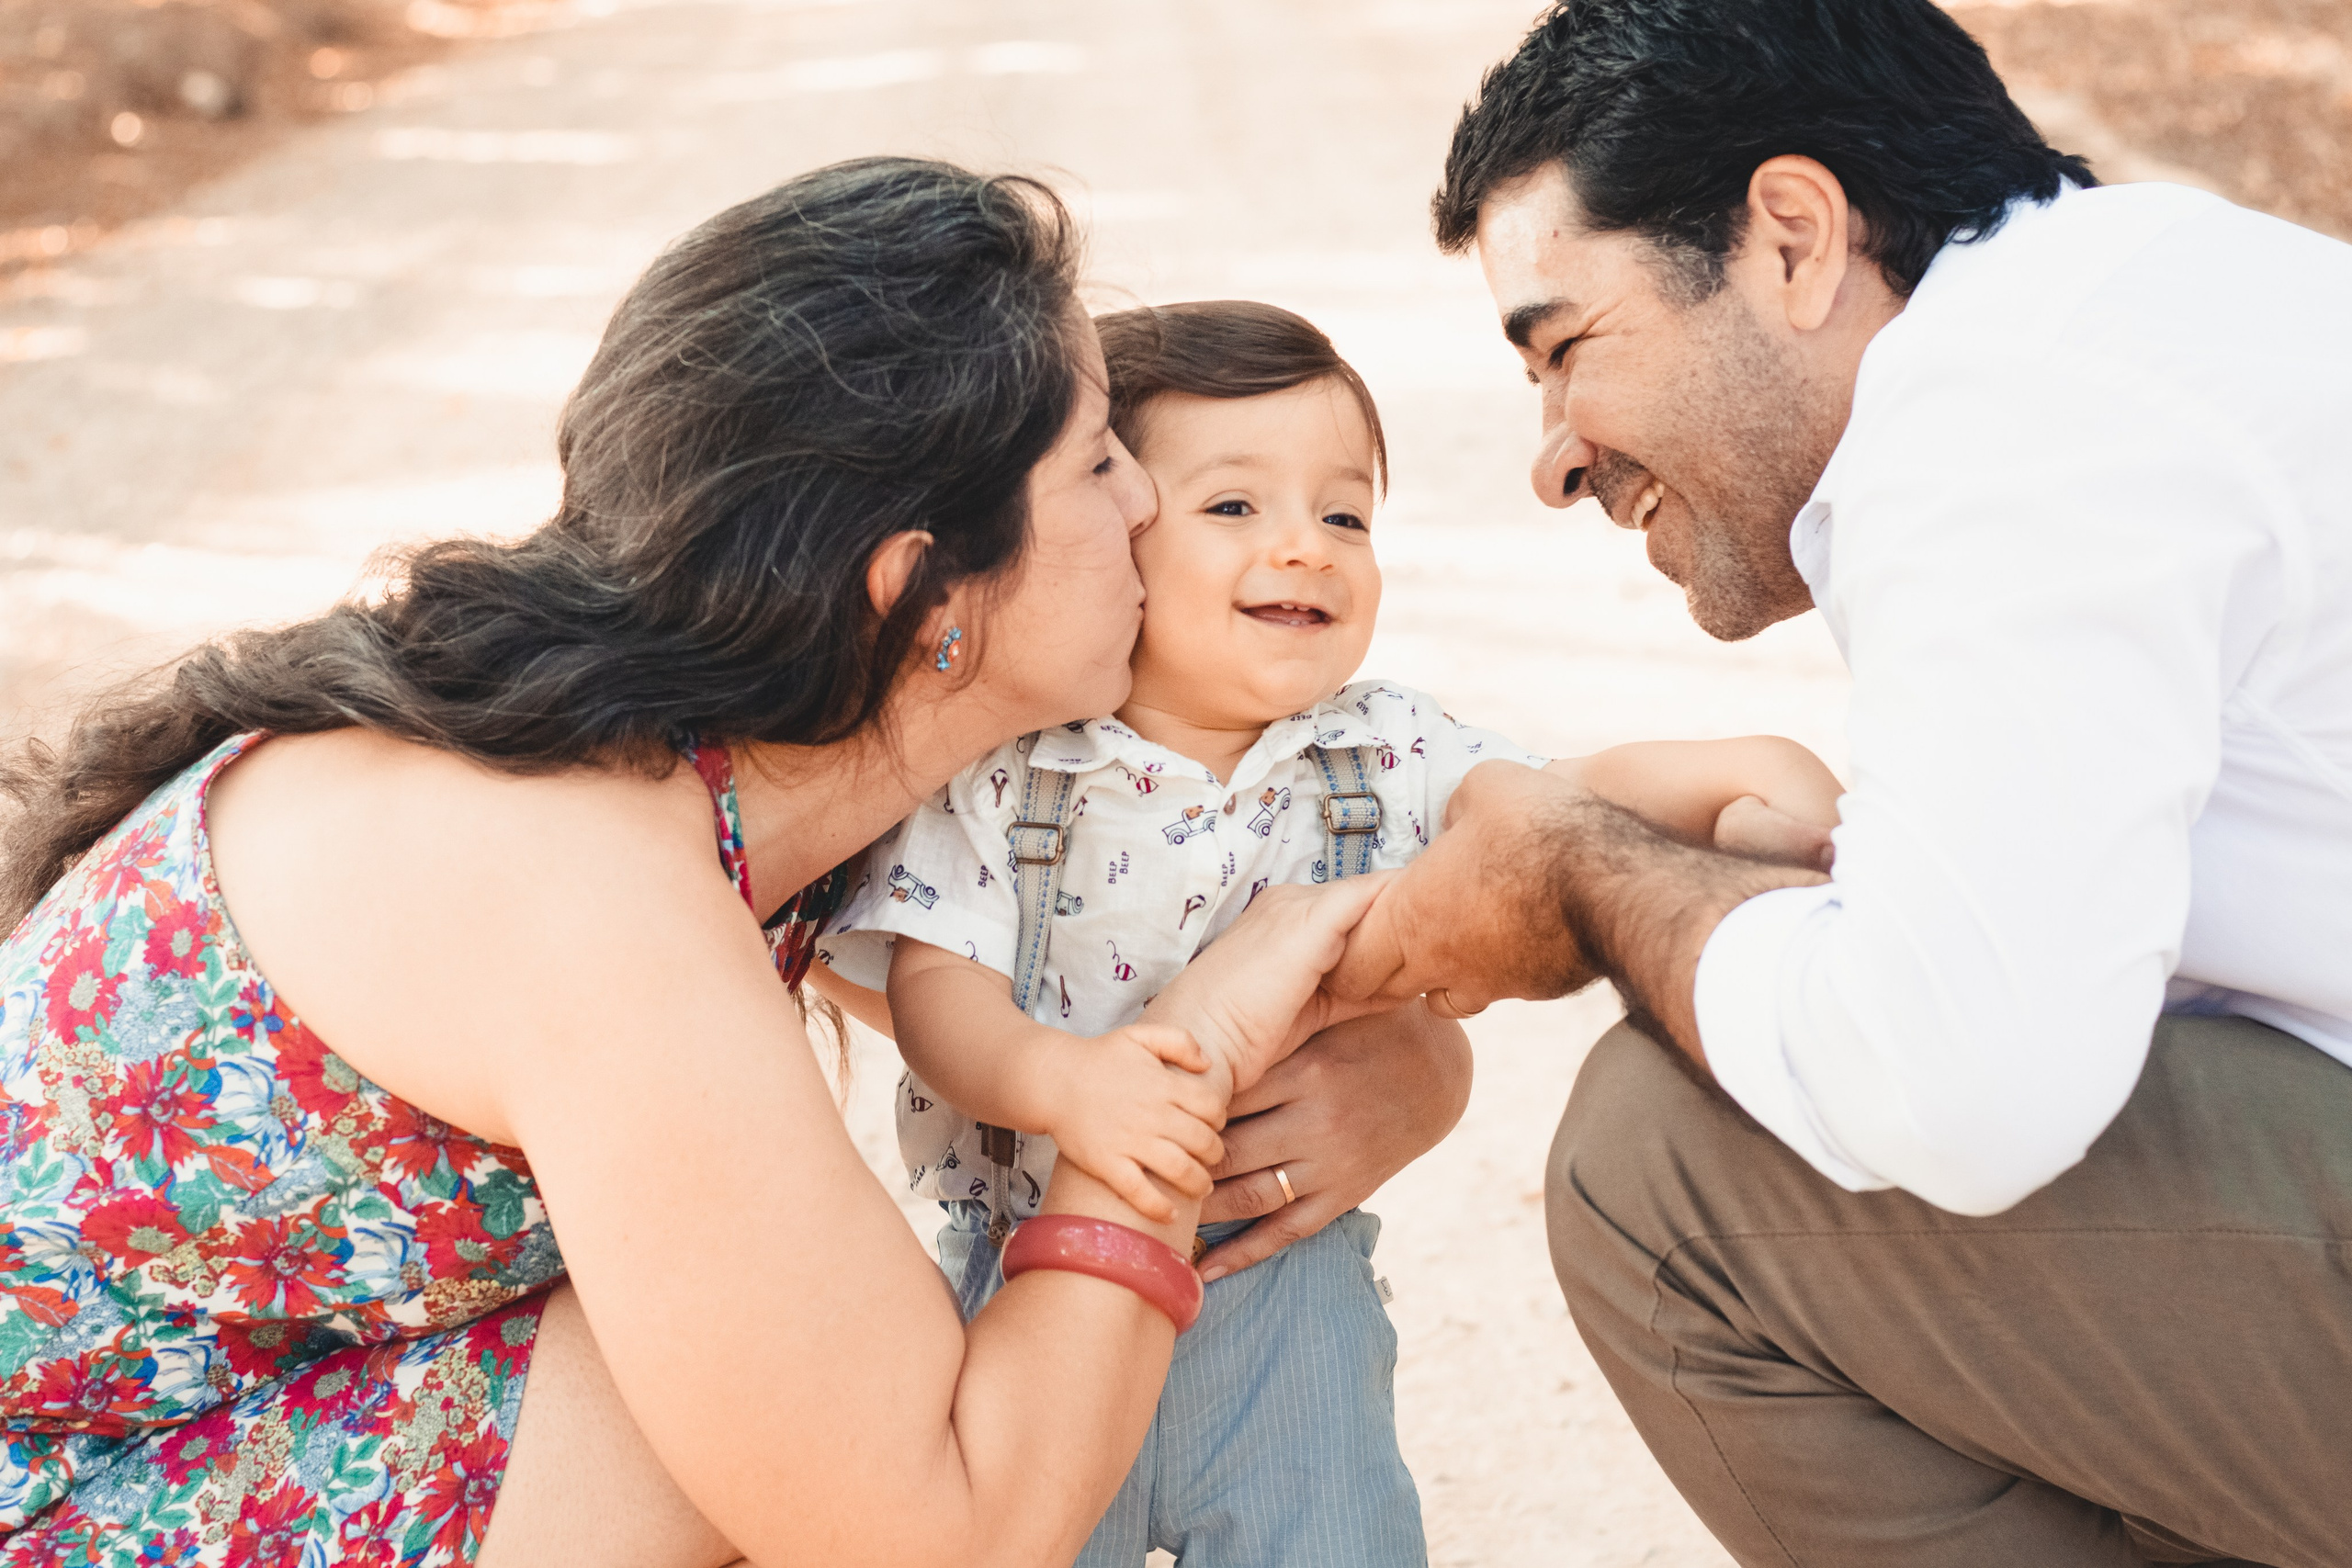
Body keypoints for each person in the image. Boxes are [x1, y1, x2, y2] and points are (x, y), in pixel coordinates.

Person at [0, 159, 1470, 1568]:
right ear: (921, 591)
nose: (1150, 503)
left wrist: (1412, 1067)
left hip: (219, 1420)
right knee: (801, 1430)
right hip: (72, 1503)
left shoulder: (755, 746)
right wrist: (1190, 1061)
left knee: (788, 1348)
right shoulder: (580, 877)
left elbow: (1042, 965)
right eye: (1099, 463)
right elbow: (955, 1527)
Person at [1330, 0, 2352, 1562]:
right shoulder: (2138, 305)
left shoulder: (2003, 427)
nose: (1552, 455)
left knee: (1666, 1172)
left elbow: (1967, 1086)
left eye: (1567, 349)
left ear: (1792, 239)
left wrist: (1584, 876)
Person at [818, 299, 1844, 1566]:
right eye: (1235, 509)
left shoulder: (1380, 747)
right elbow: (939, 995)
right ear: (1118, 538)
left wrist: (1735, 771)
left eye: (1344, 514)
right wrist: (1064, 1083)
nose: (1305, 548)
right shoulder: (1012, 773)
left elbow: (1547, 804)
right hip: (1036, 1276)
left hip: (1284, 1296)